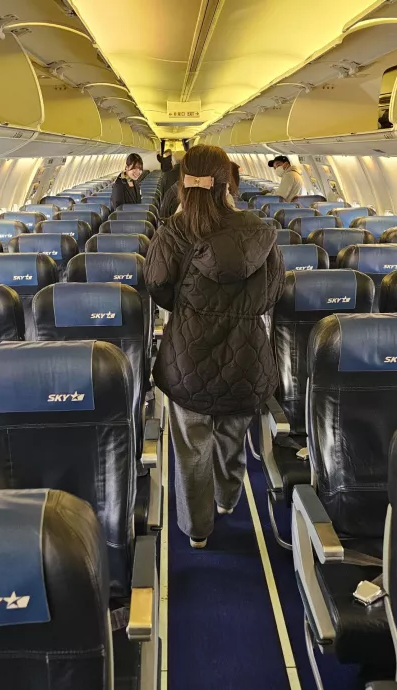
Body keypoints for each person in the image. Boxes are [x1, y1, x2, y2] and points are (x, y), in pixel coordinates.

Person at [144, 145, 285, 548]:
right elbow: (270, 294)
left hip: (188, 359)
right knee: (232, 435)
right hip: (246, 360)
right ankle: (228, 499)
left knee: (192, 450)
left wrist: (189, 308)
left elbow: (157, 287)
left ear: (183, 185)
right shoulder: (259, 232)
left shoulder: (173, 232)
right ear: (228, 183)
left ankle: (198, 530)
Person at [158, 149, 185, 219]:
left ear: (172, 162)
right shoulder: (194, 178)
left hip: (170, 216)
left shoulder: (166, 176)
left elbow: (162, 197)